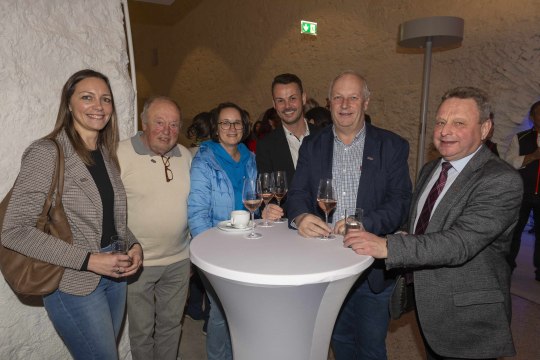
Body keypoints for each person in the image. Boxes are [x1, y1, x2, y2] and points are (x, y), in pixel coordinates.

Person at [345, 87, 522, 359]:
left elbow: (460, 242)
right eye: (440, 122)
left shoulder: (501, 180)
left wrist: (389, 246)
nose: (444, 131)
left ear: (485, 128)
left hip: (468, 318)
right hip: (432, 309)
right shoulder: (433, 169)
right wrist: (399, 230)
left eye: (459, 123)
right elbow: (421, 223)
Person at [1, 69, 143, 359]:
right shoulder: (47, 152)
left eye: (105, 99)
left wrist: (133, 243)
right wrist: (90, 260)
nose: (98, 106)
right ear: (68, 104)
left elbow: (110, 218)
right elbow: (13, 230)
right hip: (72, 281)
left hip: (115, 275)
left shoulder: (105, 153)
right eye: (87, 97)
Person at [287, 71, 412, 360]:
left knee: (370, 347)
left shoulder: (392, 146)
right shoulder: (312, 144)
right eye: (338, 98)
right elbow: (297, 194)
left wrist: (364, 224)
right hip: (327, 266)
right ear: (329, 103)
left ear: (366, 103)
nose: (345, 105)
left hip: (371, 269)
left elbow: (400, 202)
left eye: (353, 97)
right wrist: (301, 217)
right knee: (340, 341)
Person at [188, 102, 281, 360]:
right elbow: (197, 213)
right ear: (216, 129)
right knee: (220, 313)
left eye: (237, 122)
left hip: (249, 247)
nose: (232, 127)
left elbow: (254, 203)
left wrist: (265, 211)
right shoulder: (204, 160)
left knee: (244, 312)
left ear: (245, 127)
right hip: (218, 250)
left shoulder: (250, 158)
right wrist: (210, 255)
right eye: (225, 123)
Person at [117, 96, 191, 360]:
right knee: (142, 331)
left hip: (180, 260)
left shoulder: (185, 155)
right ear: (144, 123)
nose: (167, 131)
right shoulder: (119, 154)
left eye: (173, 125)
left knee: (171, 326)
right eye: (159, 123)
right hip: (137, 263)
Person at [256, 73, 318, 197]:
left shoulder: (324, 137)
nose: (287, 106)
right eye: (280, 101)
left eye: (293, 98)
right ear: (274, 104)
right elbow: (266, 196)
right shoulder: (266, 146)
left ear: (303, 98)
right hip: (287, 216)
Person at [504, 100, 540, 281]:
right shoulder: (521, 138)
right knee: (514, 232)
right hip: (522, 194)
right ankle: (507, 266)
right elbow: (509, 162)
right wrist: (532, 157)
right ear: (532, 117)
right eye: (539, 113)